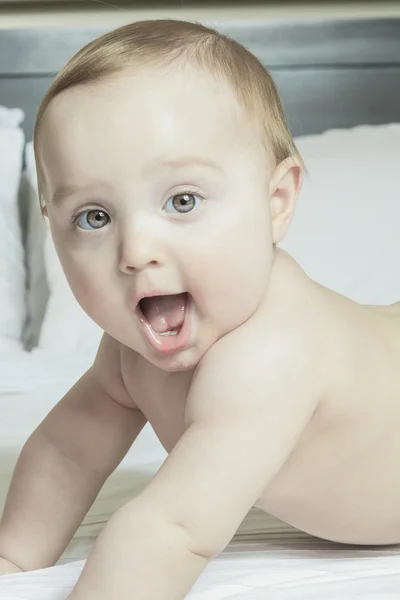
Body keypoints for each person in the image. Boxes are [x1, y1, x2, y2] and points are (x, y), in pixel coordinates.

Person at [0, 19, 399, 600]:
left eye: (182, 201)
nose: (136, 252)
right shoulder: (127, 354)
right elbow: (66, 452)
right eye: (93, 217)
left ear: (276, 203)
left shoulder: (272, 353)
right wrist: (12, 558)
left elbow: (173, 529)